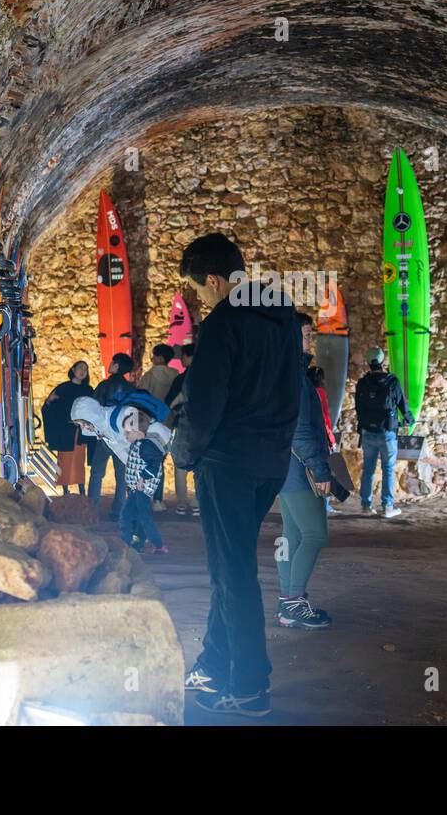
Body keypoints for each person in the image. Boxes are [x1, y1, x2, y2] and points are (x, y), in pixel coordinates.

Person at [172, 233, 302, 718]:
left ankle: (250, 686)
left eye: (198, 291)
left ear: (213, 280)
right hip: (270, 461)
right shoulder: (282, 316)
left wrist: (183, 456)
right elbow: (296, 388)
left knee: (233, 573)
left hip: (228, 464)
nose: (200, 301)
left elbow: (202, 405)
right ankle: (213, 662)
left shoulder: (225, 323)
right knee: (230, 568)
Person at [275, 313, 333, 630]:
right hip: (299, 471)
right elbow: (299, 430)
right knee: (314, 535)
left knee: (292, 535)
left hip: (285, 469)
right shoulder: (295, 377)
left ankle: (288, 603)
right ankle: (294, 602)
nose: (312, 340)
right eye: (306, 334)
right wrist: (319, 468)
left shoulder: (288, 373)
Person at [71, 395, 171, 554]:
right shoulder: (102, 427)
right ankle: (135, 542)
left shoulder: (118, 418)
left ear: (92, 416)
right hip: (138, 471)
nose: (84, 427)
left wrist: (144, 473)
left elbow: (143, 440)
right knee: (133, 511)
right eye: (79, 424)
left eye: (84, 422)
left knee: (137, 511)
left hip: (145, 469)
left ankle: (148, 543)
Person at [353, 347, 411, 518]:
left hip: (368, 432)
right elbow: (401, 403)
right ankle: (387, 506)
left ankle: (366, 505)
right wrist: (409, 418)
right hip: (387, 432)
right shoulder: (391, 381)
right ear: (382, 360)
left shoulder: (363, 382)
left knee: (368, 469)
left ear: (368, 362)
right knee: (388, 469)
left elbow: (358, 407)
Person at [88, 352, 135, 518]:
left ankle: (92, 509)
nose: (110, 364)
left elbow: (94, 408)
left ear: (116, 366)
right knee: (121, 475)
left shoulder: (103, 386)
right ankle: (118, 511)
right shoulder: (131, 388)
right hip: (122, 437)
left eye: (112, 362)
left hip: (105, 436)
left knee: (97, 473)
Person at [40, 361, 92, 497]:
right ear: (73, 369)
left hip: (80, 432)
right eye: (80, 368)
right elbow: (49, 408)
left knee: (79, 461)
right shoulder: (62, 388)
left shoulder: (88, 390)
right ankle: (65, 491)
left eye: (85, 369)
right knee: (64, 461)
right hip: (65, 432)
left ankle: (82, 490)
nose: (82, 371)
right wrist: (49, 401)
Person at [138, 344, 179, 512]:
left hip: (151, 422)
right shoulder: (176, 375)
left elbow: (140, 396)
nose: (152, 359)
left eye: (154, 356)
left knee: (148, 460)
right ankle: (158, 500)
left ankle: (146, 497)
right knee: (161, 460)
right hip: (169, 422)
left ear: (160, 358)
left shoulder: (149, 375)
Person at [165, 342, 198, 517]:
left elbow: (169, 402)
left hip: (181, 425)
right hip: (202, 427)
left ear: (189, 357)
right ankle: (198, 502)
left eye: (184, 356)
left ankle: (182, 503)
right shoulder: (208, 377)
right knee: (200, 465)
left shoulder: (180, 379)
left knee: (180, 465)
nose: (182, 359)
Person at [307, 364, 340, 516]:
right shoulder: (319, 392)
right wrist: (331, 440)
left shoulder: (304, 390)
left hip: (307, 436)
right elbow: (325, 418)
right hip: (320, 437)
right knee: (326, 470)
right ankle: (325, 505)